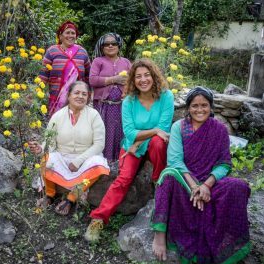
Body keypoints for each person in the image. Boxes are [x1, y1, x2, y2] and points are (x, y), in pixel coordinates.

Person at [151, 87, 251, 264]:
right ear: (188, 108)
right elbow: (175, 161)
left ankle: (226, 235)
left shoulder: (219, 129)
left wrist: (206, 185)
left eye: (204, 105)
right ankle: (159, 235)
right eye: (195, 105)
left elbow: (224, 163)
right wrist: (195, 186)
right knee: (168, 176)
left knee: (239, 186)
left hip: (210, 183)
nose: (199, 109)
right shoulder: (179, 127)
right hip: (185, 180)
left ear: (210, 107)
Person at [84, 59, 174, 241]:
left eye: (147, 75)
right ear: (133, 79)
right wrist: (149, 133)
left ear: (154, 76)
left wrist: (140, 140)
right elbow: (130, 132)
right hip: (131, 148)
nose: (143, 79)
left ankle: (158, 182)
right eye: (138, 76)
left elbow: (163, 128)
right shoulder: (129, 101)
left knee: (158, 142)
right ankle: (98, 218)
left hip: (153, 146)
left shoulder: (166, 96)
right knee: (123, 179)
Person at [29, 81, 110, 215]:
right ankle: (50, 194)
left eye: (84, 94)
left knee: (99, 164)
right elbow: (49, 142)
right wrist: (40, 149)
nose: (80, 96)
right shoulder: (58, 116)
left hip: (85, 160)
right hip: (63, 157)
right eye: (76, 93)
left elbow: (99, 144)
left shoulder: (94, 115)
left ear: (88, 97)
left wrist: (78, 161)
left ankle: (71, 198)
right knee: (47, 159)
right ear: (69, 96)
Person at [90, 33, 131, 162]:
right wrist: (114, 79)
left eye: (113, 43)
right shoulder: (98, 61)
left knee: (119, 132)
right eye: (106, 44)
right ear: (102, 47)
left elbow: (132, 81)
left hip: (121, 105)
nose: (110, 46)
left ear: (119, 45)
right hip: (103, 106)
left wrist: (127, 90)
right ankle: (102, 161)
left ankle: (119, 161)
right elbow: (92, 80)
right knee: (104, 133)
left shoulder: (126, 62)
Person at [39, 20, 91, 117]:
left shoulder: (82, 52)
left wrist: (88, 94)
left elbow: (88, 76)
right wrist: (36, 92)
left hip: (78, 98)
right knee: (57, 125)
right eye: (67, 33)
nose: (70, 36)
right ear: (60, 36)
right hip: (56, 97)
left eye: (73, 33)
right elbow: (43, 75)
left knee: (76, 124)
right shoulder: (52, 51)